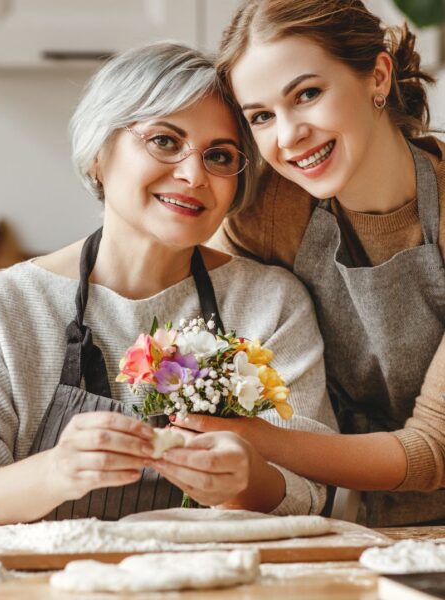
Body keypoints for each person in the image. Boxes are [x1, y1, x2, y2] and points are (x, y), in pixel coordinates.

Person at [0, 42, 337, 537]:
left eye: (219, 155)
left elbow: (315, 492)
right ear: (98, 156)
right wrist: (56, 472)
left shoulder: (271, 305)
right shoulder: (2, 308)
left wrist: (247, 482)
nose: (194, 175)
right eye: (165, 141)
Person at [172, 0, 445, 527]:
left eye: (308, 94)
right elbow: (172, 274)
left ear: (378, 77)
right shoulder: (273, 211)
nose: (289, 134)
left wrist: (254, 438)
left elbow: (432, 448)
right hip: (360, 526)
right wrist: (33, 287)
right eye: (261, 116)